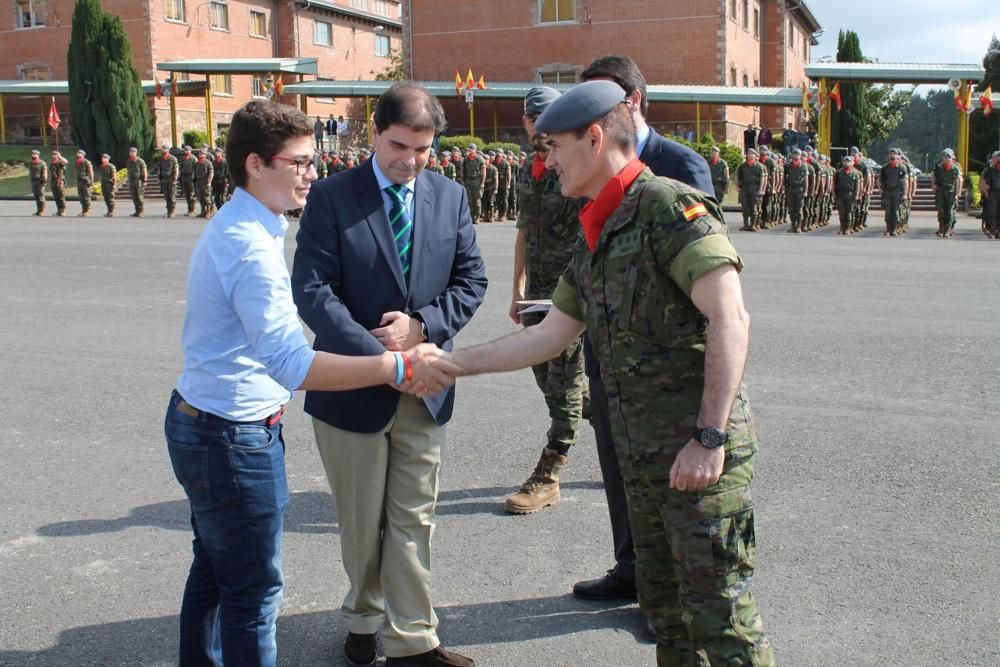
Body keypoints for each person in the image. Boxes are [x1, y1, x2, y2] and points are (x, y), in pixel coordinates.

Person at [449, 80, 774, 667]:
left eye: (553, 146)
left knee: (723, 626)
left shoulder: (669, 207)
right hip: (646, 469)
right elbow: (550, 335)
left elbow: (731, 317)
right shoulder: (596, 228)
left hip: (698, 463)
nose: (544, 160)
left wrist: (709, 437)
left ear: (594, 138)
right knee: (669, 623)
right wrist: (449, 363)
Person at [165, 98, 455, 667]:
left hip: (215, 421)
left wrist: (419, 331)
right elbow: (294, 365)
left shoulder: (256, 224)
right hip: (231, 433)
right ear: (256, 164)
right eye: (298, 162)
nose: (311, 172)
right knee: (252, 593)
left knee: (217, 573)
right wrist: (397, 366)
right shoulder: (250, 245)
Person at [291, 81, 487, 667]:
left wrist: (421, 329)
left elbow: (471, 280)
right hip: (353, 388)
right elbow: (312, 290)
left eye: (423, 150)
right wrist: (384, 359)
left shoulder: (449, 196)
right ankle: (363, 615)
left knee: (413, 518)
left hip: (424, 386)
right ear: (374, 132)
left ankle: (413, 640)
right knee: (360, 520)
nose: (411, 161)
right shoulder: (331, 197)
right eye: (400, 146)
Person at [571, 54, 715, 611]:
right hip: (607, 352)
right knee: (617, 464)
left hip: (665, 368)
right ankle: (632, 569)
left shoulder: (678, 165)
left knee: (670, 486)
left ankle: (673, 595)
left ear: (631, 103)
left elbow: (706, 281)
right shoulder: (587, 162)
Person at [504, 86, 585, 515]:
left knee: (565, 382)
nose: (541, 125)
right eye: (535, 118)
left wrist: (575, 298)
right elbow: (523, 230)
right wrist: (516, 289)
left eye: (549, 118)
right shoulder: (527, 169)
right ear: (527, 123)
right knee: (547, 378)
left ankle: (549, 473)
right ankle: (609, 421)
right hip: (536, 294)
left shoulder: (572, 168)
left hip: (569, 296)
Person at [933, 148, 962, 238]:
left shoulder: (955, 168)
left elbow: (958, 181)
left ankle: (948, 230)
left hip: (951, 192)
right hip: (941, 191)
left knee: (949, 212)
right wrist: (933, 186)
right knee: (941, 211)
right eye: (945, 157)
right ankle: (941, 229)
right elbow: (934, 177)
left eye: (948, 157)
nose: (946, 159)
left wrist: (958, 193)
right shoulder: (938, 168)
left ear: (951, 158)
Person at [736, 149, 765, 231]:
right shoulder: (742, 166)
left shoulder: (759, 166)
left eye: (752, 154)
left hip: (754, 188)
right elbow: (737, 176)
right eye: (749, 153)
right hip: (744, 188)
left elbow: (762, 178)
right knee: (745, 207)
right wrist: (737, 186)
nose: (751, 155)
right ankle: (746, 225)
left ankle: (753, 225)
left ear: (756, 156)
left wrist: (761, 189)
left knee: (754, 208)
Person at [879, 148, 906, 237]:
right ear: (888, 156)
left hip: (897, 192)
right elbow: (880, 180)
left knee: (895, 212)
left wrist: (905, 193)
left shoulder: (902, 167)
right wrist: (880, 189)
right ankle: (888, 229)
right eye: (891, 153)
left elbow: (905, 181)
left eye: (894, 153)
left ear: (898, 156)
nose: (892, 155)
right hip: (887, 192)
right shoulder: (884, 168)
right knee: (888, 212)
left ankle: (894, 230)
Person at [835, 155, 862, 235]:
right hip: (840, 194)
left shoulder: (855, 173)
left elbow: (858, 185)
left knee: (849, 212)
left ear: (852, 163)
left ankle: (848, 228)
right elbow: (835, 183)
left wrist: (857, 195)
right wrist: (834, 193)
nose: (846, 163)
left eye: (848, 161)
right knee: (841, 212)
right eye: (845, 161)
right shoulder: (839, 172)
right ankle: (842, 228)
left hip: (850, 194)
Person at [785, 147, 809, 233]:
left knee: (799, 209)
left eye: (797, 154)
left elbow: (806, 179)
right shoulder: (788, 165)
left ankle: (798, 226)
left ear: (800, 155)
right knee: (791, 209)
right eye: (794, 154)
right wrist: (784, 188)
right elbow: (784, 177)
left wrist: (806, 191)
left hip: (799, 189)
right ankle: (793, 225)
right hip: (791, 189)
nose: (796, 155)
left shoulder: (803, 166)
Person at [461, 142, 486, 223]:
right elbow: (463, 171)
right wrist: (463, 181)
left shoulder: (479, 159)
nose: (470, 151)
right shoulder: (466, 160)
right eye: (469, 149)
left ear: (475, 150)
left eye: (472, 149)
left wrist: (482, 183)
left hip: (477, 181)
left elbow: (484, 172)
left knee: (477, 200)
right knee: (470, 200)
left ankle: (478, 216)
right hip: (468, 181)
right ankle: (471, 216)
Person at [153, 145, 180, 218]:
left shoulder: (173, 158)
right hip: (164, 180)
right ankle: (168, 211)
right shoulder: (161, 159)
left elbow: (176, 169)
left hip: (171, 179)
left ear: (168, 150)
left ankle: (173, 212)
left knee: (172, 196)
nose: (163, 150)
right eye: (162, 149)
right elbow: (158, 168)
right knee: (166, 196)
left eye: (164, 149)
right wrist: (158, 178)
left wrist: (175, 179)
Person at [981, 151, 1000, 239]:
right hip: (992, 193)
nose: (999, 158)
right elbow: (983, 182)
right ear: (993, 159)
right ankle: (993, 230)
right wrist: (985, 192)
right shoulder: (989, 169)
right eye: (997, 157)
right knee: (992, 213)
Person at [125, 147, 147, 218]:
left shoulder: (140, 161)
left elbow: (144, 171)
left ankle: (141, 212)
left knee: (139, 197)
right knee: (134, 197)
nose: (131, 153)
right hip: (131, 181)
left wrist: (145, 180)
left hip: (139, 181)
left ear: (136, 153)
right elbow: (128, 171)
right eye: (130, 152)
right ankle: (137, 211)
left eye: (133, 152)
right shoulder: (128, 161)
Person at [193, 149, 214, 218]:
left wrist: (209, 182)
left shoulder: (208, 163)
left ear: (205, 155)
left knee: (207, 197)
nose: (200, 154)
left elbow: (211, 173)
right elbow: (194, 173)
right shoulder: (197, 163)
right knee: (200, 197)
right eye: (199, 153)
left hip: (205, 182)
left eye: (202, 153)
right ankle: (203, 211)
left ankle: (208, 211)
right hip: (198, 182)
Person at [49, 150, 69, 217]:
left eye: (55, 154)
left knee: (61, 197)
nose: (53, 155)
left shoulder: (60, 162)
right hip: (53, 182)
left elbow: (66, 162)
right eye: (53, 154)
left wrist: (60, 156)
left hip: (59, 181)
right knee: (56, 197)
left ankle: (63, 210)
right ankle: (59, 210)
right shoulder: (51, 163)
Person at [179, 146, 197, 217]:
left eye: (187, 150)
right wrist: (180, 176)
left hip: (190, 178)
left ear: (190, 151)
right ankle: (189, 210)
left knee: (191, 194)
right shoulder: (183, 158)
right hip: (184, 178)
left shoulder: (193, 159)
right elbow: (181, 167)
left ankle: (193, 210)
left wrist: (194, 177)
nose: (185, 151)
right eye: (185, 150)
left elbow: (195, 169)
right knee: (186, 195)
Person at [75, 149, 94, 217]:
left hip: (85, 181)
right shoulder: (77, 162)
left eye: (80, 153)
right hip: (79, 181)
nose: (78, 154)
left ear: (83, 155)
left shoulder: (86, 162)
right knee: (81, 197)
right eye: (78, 152)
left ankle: (87, 210)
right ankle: (83, 210)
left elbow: (90, 172)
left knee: (86, 196)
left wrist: (91, 181)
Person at [29, 149, 47, 216]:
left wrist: (45, 180)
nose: (33, 155)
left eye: (34, 154)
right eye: (32, 154)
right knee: (36, 196)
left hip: (40, 181)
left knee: (41, 196)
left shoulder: (42, 163)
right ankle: (38, 210)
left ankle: (42, 210)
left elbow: (45, 172)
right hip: (34, 181)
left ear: (38, 155)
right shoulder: (31, 163)